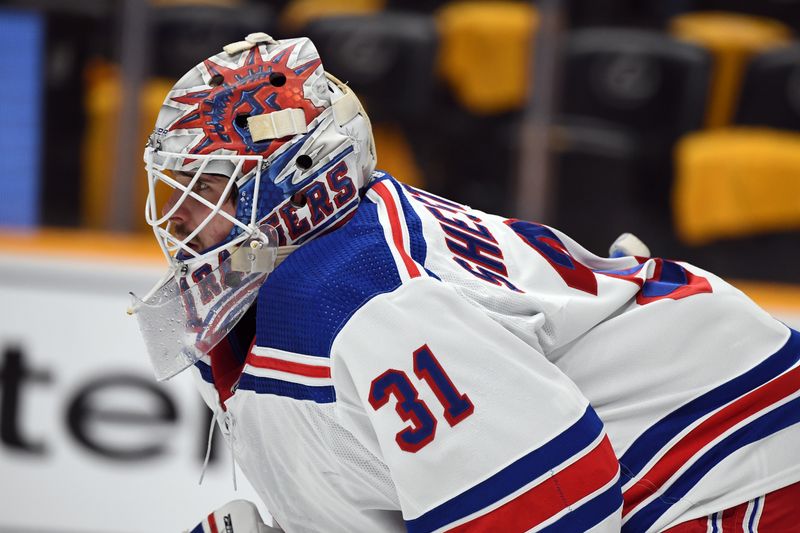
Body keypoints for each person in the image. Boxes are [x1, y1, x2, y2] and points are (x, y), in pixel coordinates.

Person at [130, 33, 800, 533]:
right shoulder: (305, 277)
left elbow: (551, 504)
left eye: (208, 187)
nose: (181, 214)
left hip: (734, 459)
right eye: (179, 187)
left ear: (299, 178)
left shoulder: (363, 305)